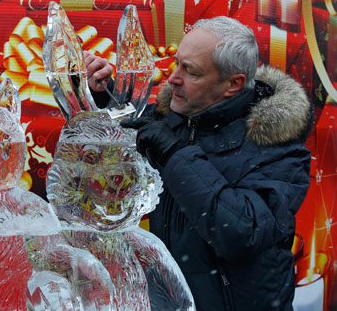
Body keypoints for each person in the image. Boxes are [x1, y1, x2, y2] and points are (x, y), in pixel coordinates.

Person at [83, 16, 313, 310]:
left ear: (233, 84)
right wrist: (105, 94)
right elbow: (134, 124)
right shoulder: (175, 119)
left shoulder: (279, 148)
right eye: (177, 62)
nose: (172, 78)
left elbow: (240, 231)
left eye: (190, 71)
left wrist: (175, 154)